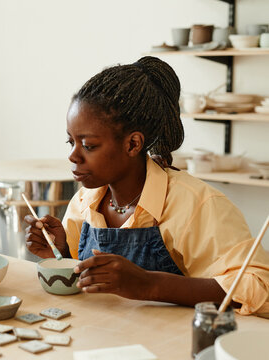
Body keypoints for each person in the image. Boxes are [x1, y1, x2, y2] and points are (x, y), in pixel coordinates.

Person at [25, 56, 269, 315]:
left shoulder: (195, 204)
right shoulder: (85, 201)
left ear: (133, 144)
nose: (73, 156)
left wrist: (149, 284)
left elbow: (257, 288)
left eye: (88, 146)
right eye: (70, 142)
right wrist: (61, 252)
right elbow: (84, 276)